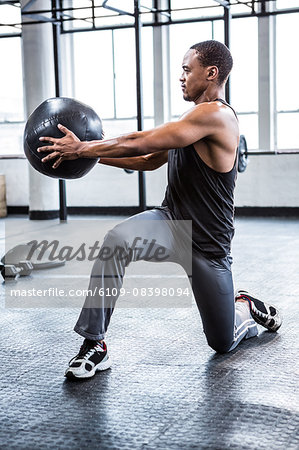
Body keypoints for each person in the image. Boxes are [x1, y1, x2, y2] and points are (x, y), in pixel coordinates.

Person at [38, 40, 282, 380]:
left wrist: (83, 148)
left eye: (187, 70)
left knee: (222, 342)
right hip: (170, 223)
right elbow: (146, 159)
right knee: (117, 241)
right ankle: (94, 342)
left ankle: (243, 308)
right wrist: (85, 154)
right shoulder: (191, 119)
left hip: (208, 246)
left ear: (211, 73)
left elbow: (141, 141)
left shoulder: (217, 117)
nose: (181, 77)